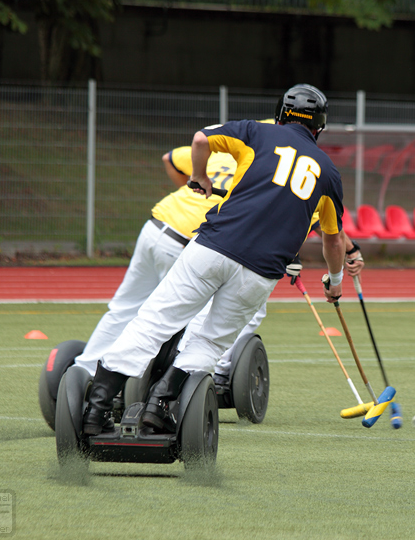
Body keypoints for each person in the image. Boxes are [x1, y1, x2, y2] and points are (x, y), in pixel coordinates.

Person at [82, 84, 347, 435]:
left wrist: (200, 176)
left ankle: (97, 409)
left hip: (212, 248)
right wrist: (335, 282)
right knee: (209, 341)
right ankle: (160, 405)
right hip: (260, 272)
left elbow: (200, 139)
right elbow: (334, 240)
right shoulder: (329, 173)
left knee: (153, 321)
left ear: (281, 114)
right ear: (320, 128)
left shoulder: (257, 131)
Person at [73, 140, 364, 385]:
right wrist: (346, 252)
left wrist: (195, 185)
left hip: (158, 225)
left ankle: (85, 376)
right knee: (233, 313)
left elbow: (171, 157)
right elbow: (323, 227)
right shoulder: (295, 168)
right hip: (203, 241)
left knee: (128, 310)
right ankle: (208, 376)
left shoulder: (240, 143)